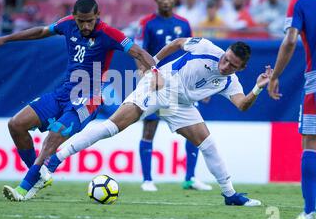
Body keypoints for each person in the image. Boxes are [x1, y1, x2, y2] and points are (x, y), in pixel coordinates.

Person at [27, 38, 271, 206]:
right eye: (226, 58)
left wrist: (258, 89)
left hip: (180, 104)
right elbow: (176, 44)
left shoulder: (231, 82)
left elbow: (242, 105)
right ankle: (56, 158)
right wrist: (151, 64)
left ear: (242, 68)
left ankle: (229, 194)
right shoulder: (206, 47)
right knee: (112, 127)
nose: (225, 65)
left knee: (208, 144)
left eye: (232, 65)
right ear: (225, 51)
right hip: (158, 84)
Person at [0, 0, 157, 201]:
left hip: (91, 99)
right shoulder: (67, 25)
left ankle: (24, 188)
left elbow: (139, 52)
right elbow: (40, 31)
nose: (86, 25)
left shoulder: (109, 33)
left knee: (55, 134)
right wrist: (6, 39)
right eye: (81, 21)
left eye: (90, 20)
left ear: (98, 16)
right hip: (64, 93)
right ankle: (38, 176)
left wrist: (156, 72)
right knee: (16, 124)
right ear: (74, 17)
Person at [134, 0, 212, 191]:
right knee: (150, 127)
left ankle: (190, 178)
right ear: (156, 0)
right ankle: (147, 180)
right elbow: (138, 52)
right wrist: (145, 75)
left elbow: (193, 54)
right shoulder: (147, 24)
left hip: (183, 84)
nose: (166, 2)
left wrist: (200, 83)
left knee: (194, 129)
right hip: (157, 81)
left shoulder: (183, 24)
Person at [268, 0, 316, 219]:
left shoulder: (300, 3)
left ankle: (310, 211)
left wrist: (275, 75)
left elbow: (289, 42)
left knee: (311, 142)